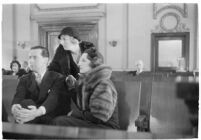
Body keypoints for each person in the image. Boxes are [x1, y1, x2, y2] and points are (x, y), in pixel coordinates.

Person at [52, 48, 119, 129]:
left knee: (60, 122)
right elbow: (83, 109)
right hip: (93, 124)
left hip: (106, 127)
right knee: (59, 120)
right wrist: (72, 88)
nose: (79, 64)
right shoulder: (88, 82)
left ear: (94, 63)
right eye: (79, 60)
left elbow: (99, 117)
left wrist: (75, 114)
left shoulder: (103, 83)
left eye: (83, 61)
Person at [11, 46, 71, 124]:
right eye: (29, 57)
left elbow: (53, 98)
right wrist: (15, 107)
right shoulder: (24, 79)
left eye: (35, 58)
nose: (31, 61)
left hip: (49, 116)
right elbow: (18, 96)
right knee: (26, 104)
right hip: (28, 116)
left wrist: (36, 113)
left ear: (46, 60)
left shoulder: (58, 78)